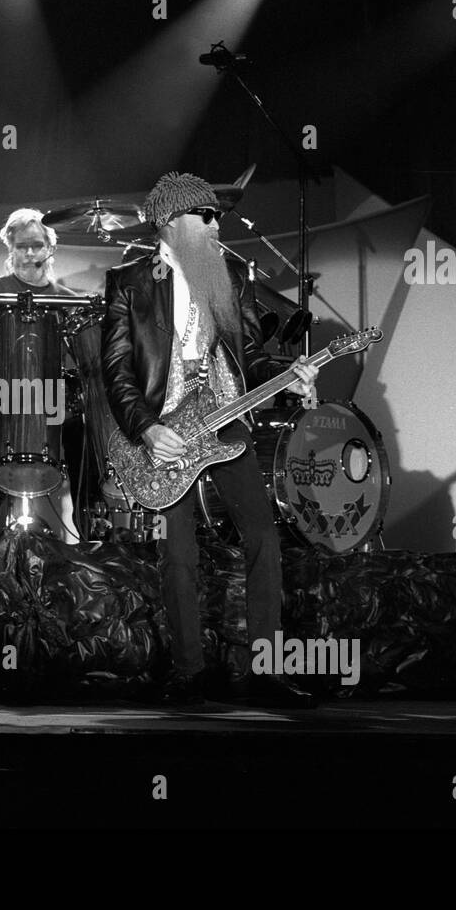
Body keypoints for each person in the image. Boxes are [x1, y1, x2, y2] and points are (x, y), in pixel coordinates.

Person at [100, 171, 319, 707]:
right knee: (180, 554)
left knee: (265, 540)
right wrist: (147, 429)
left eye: (216, 216)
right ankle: (189, 670)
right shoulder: (129, 282)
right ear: (171, 222)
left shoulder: (229, 275)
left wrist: (292, 374)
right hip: (164, 434)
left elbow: (251, 356)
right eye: (206, 216)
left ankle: (265, 672)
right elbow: (116, 368)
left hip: (224, 424)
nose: (216, 224)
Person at [0, 209, 83, 538]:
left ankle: (90, 526)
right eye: (22, 246)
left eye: (37, 245)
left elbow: (78, 355)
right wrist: (15, 345)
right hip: (0, 393)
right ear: (10, 247)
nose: (30, 253)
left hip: (50, 398)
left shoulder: (68, 299)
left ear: (50, 249)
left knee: (81, 426)